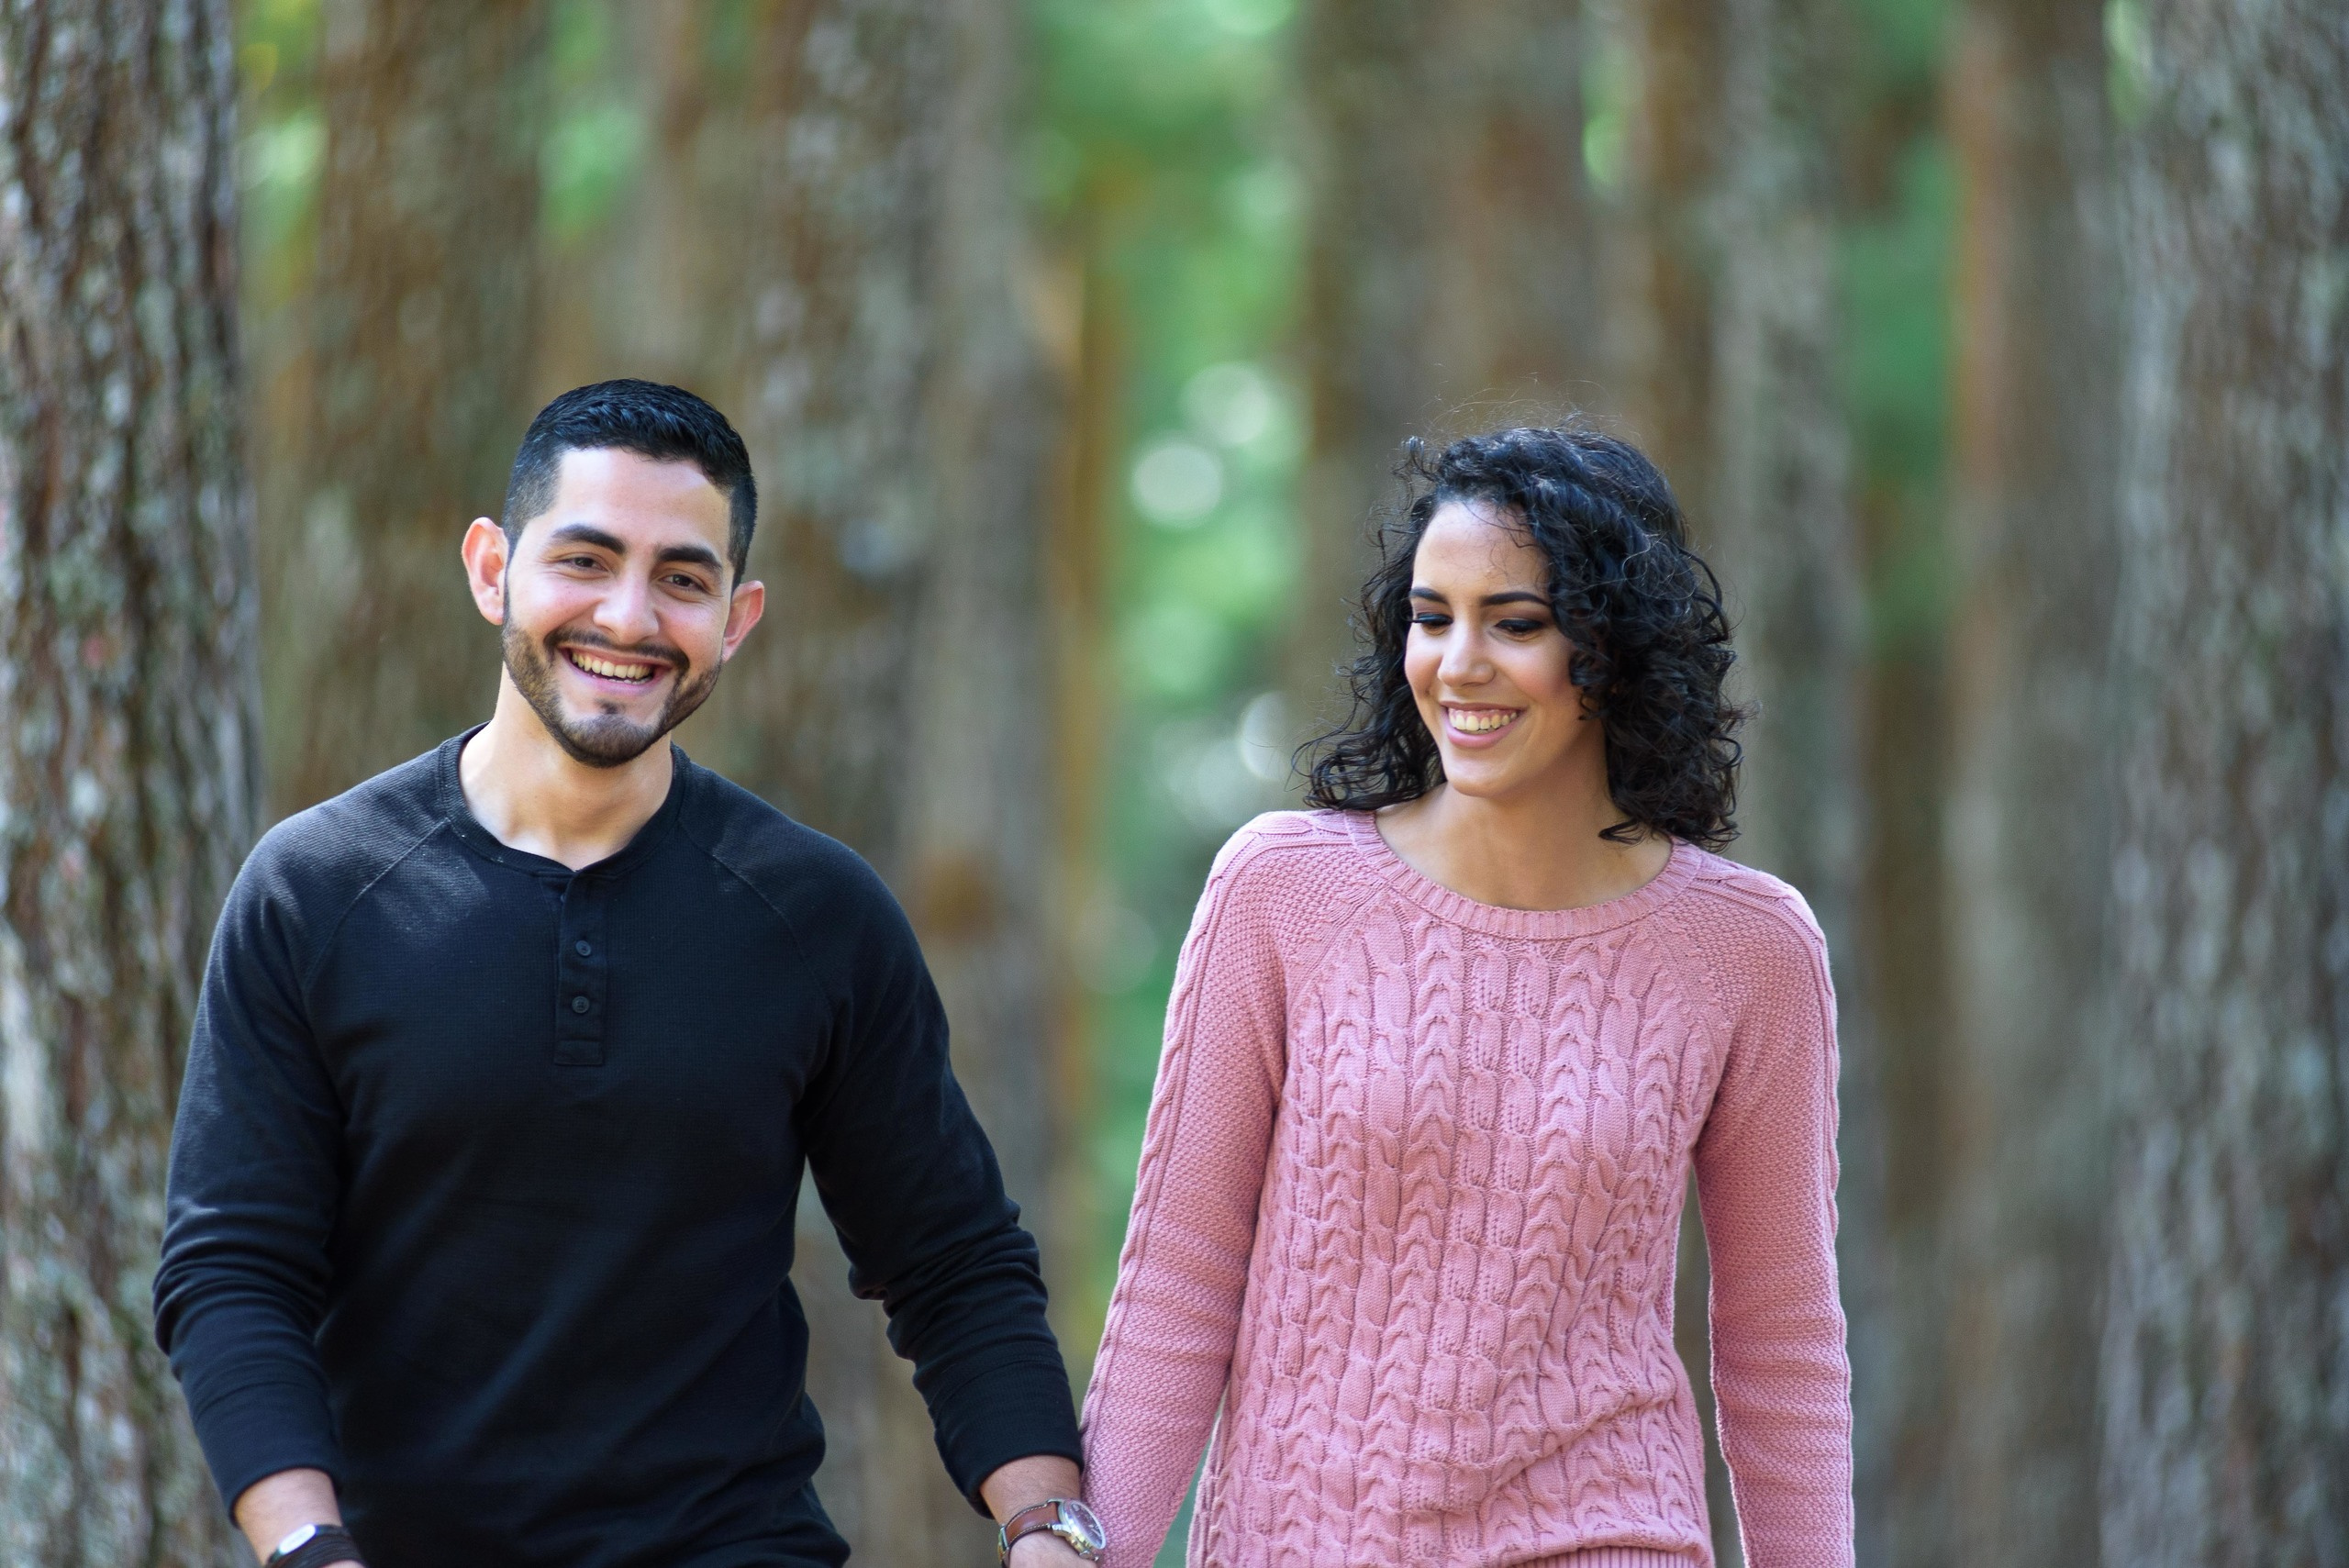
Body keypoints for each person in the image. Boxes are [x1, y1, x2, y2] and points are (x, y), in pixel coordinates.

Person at [154, 381, 1106, 1568]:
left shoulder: (815, 915)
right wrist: (307, 1547)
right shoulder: (315, 891)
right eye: (586, 560)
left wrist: (1049, 1528)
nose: (628, 615)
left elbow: (954, 1264)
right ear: (491, 566)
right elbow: (232, 1271)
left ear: (739, 616)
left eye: (683, 579)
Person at [1079, 424, 1854, 1567]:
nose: (1458, 663)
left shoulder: (1746, 947)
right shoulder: (1283, 889)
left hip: (1609, 1536)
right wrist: (1091, 1549)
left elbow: (1779, 1345)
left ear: (1615, 646)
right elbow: (1179, 1281)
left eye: (1516, 623)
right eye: (1431, 618)